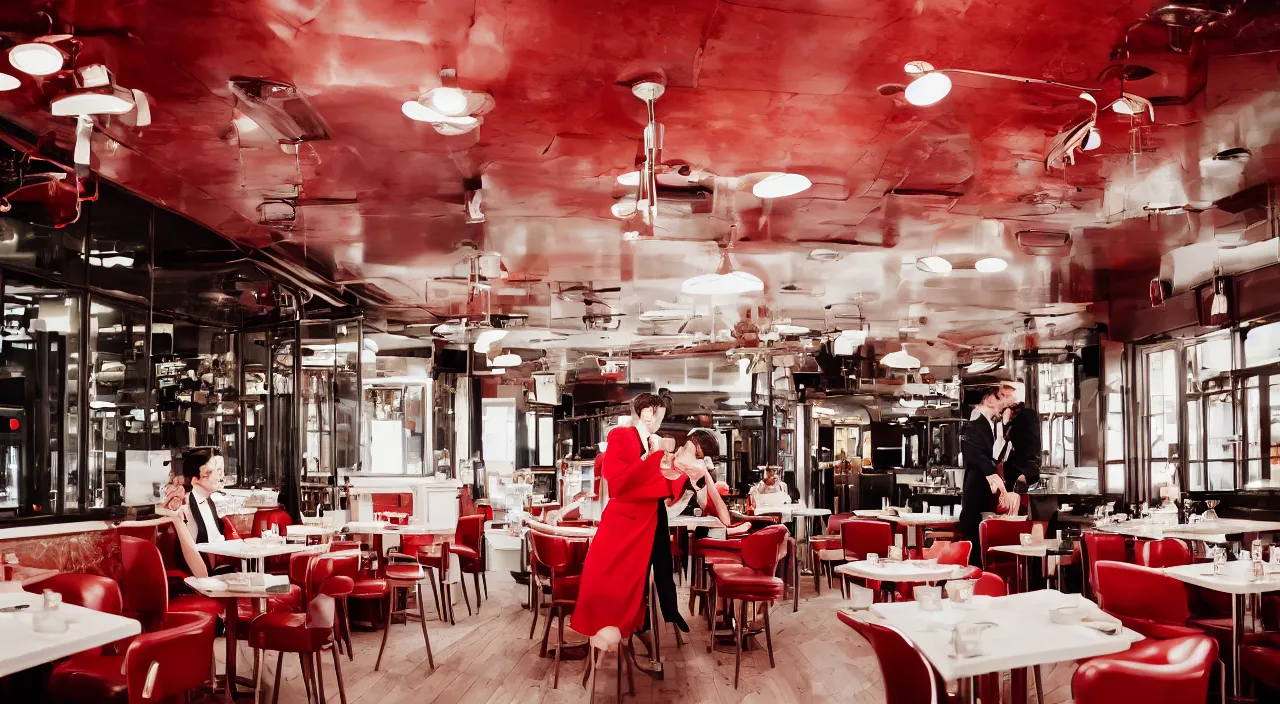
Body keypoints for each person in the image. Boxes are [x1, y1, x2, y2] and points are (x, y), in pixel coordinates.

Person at [571, 393, 703, 656]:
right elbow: (618, 483)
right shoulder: (621, 436)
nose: (660, 421)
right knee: (614, 584)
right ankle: (623, 634)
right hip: (624, 523)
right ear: (647, 412)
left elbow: (661, 486)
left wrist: (687, 481)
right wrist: (655, 459)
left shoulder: (654, 442)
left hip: (649, 519)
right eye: (660, 415)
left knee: (649, 578)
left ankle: (650, 623)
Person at [959, 384, 1020, 567]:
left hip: (984, 494)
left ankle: (981, 573)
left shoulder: (994, 425)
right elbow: (977, 456)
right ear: (990, 399)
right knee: (973, 534)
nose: (1007, 403)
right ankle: (976, 575)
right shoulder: (973, 427)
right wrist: (993, 476)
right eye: (1003, 398)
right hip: (976, 489)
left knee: (981, 537)